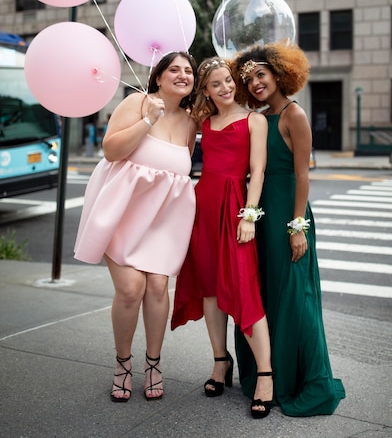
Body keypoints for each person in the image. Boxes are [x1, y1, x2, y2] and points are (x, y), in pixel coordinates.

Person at [230, 41, 346, 417]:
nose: (255, 83)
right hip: (260, 214)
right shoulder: (261, 117)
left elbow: (302, 175)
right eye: (248, 80)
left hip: (287, 215)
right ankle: (264, 373)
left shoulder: (294, 115)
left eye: (260, 75)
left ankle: (297, 380)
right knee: (263, 292)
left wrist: (298, 228)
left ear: (279, 74)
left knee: (295, 298)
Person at [74, 52, 197, 403]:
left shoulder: (191, 123)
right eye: (174, 69)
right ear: (158, 76)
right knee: (130, 289)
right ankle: (122, 364)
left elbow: (179, 174)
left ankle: (154, 364)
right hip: (124, 213)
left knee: (158, 287)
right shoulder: (137, 102)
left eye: (188, 71)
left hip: (162, 220)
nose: (182, 74)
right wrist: (147, 121)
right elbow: (111, 151)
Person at [171, 57, 274, 419]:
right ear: (206, 91)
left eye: (228, 80)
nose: (225, 87)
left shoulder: (254, 120)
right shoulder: (204, 122)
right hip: (204, 207)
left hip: (234, 208)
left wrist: (249, 215)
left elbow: (257, 171)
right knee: (210, 290)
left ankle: (265, 374)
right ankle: (220, 361)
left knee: (244, 290)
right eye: (216, 84)